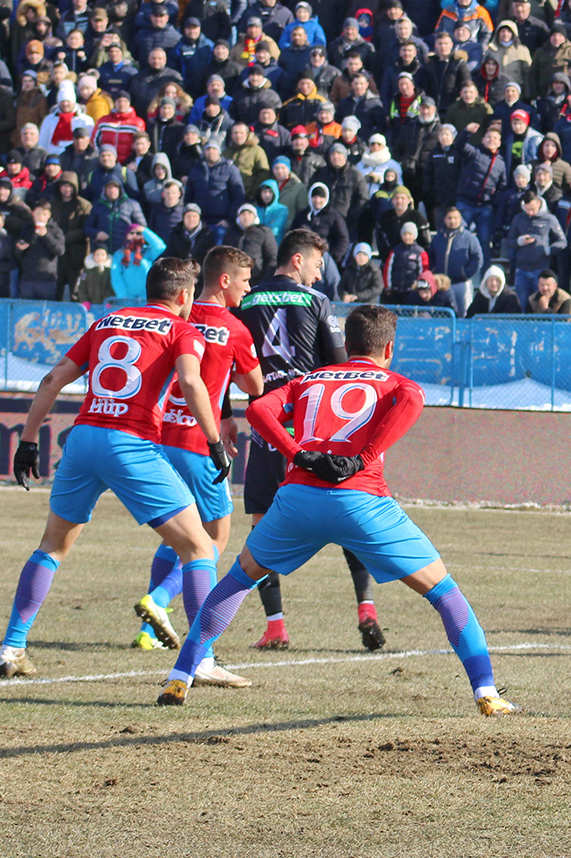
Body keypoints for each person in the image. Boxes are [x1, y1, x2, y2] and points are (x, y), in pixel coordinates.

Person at [158, 305, 518, 716]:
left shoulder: (307, 380)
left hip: (298, 500)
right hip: (362, 502)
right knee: (445, 593)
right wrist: (361, 458)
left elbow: (258, 410)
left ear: (346, 345)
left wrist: (296, 453)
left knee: (239, 579)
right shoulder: (394, 381)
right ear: (390, 347)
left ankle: (180, 676)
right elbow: (413, 397)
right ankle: (486, 692)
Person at [3, 257, 228, 679]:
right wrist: (215, 440)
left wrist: (29, 441)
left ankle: (12, 646)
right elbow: (193, 383)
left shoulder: (109, 321)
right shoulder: (183, 329)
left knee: (52, 546)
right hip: (130, 442)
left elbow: (52, 380)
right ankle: (203, 660)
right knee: (201, 547)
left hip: (83, 438)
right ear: (184, 296)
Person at [235, 229, 380, 652]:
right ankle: (366, 610)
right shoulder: (316, 302)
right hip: (312, 428)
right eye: (318, 265)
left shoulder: (248, 301)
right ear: (297, 261)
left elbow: (237, 366)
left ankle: (275, 626)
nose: (319, 276)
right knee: (345, 515)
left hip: (266, 431)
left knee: (262, 526)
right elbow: (341, 365)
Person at [130, 249, 265, 687]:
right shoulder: (234, 328)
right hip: (198, 442)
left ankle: (150, 632)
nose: (248, 288)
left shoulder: (177, 321)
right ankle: (161, 600)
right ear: (224, 281)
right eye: (245, 280)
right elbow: (255, 386)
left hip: (161, 437)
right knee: (215, 539)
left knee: (178, 534)